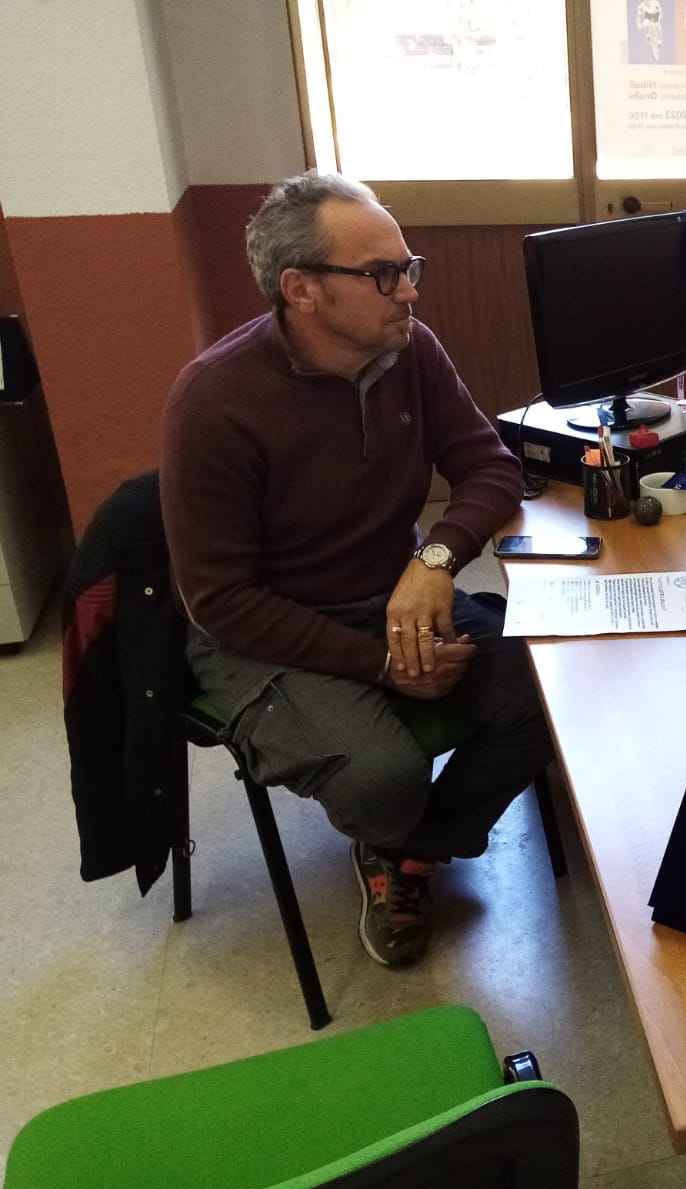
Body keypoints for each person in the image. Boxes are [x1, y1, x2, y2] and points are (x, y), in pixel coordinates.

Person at [161, 172, 553, 969]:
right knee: (383, 775)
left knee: (550, 697)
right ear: (300, 289)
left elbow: (490, 467)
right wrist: (380, 665)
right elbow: (221, 600)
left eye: (408, 267)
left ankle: (409, 854)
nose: (408, 291)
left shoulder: (410, 349)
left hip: (390, 592)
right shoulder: (213, 402)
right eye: (382, 274)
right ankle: (392, 830)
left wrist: (435, 560)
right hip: (263, 630)